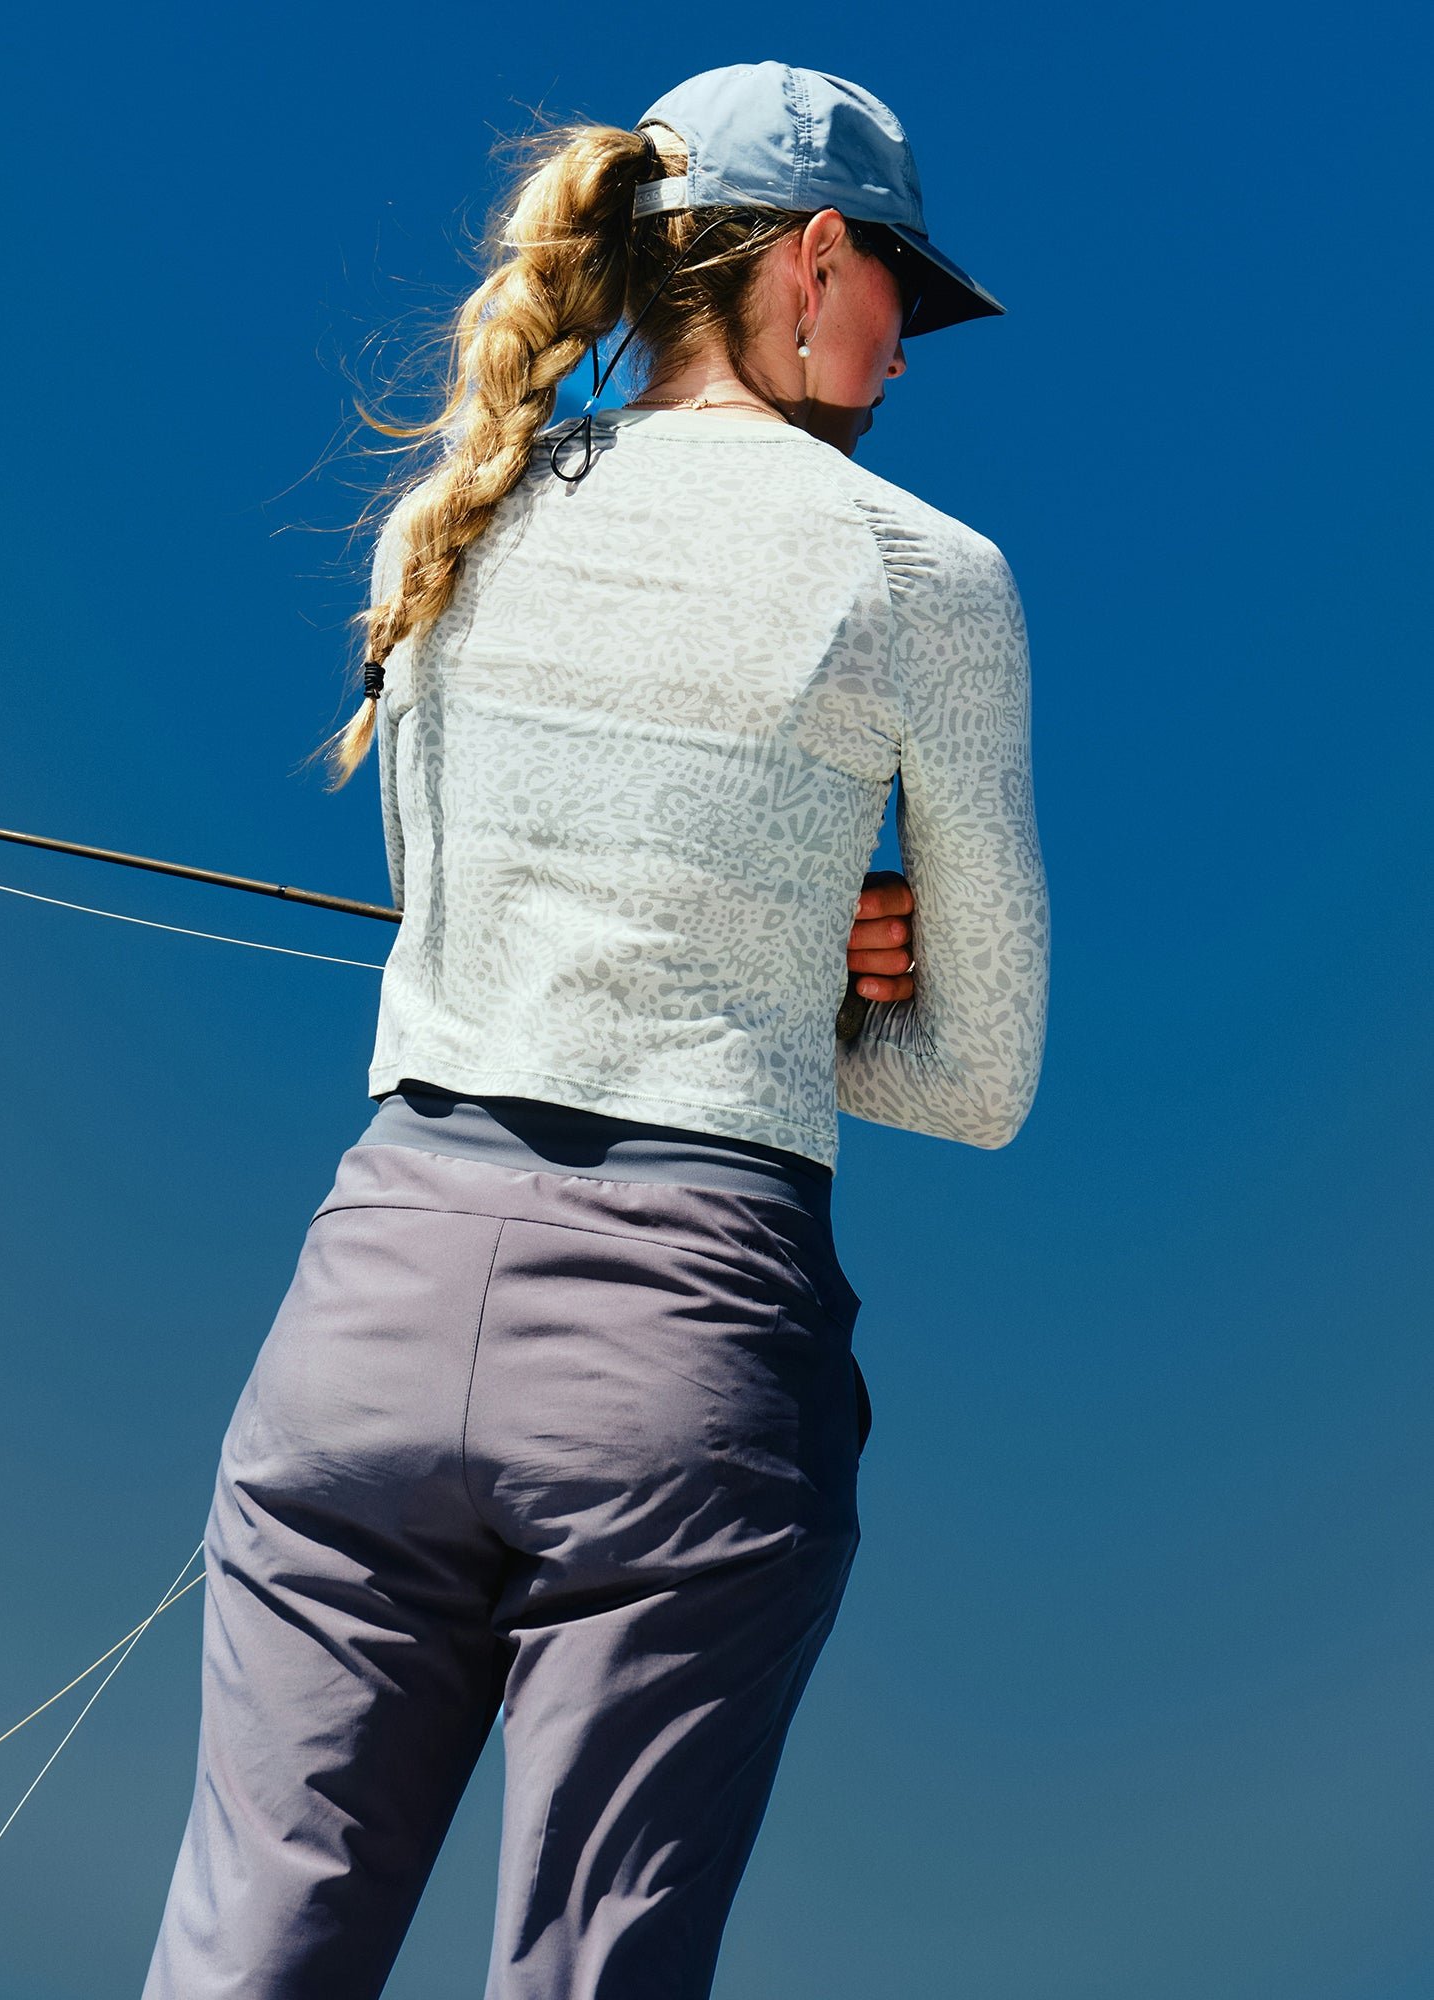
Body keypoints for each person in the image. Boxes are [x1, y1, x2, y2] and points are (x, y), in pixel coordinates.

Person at [142, 59, 1049, 2000]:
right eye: (900, 292)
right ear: (814, 261)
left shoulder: (447, 520)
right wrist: (810, 989)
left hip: (363, 1316)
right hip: (683, 1345)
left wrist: (760, 952)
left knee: (243, 1955)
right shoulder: (926, 575)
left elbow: (471, 927)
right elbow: (980, 1079)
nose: (905, 349)